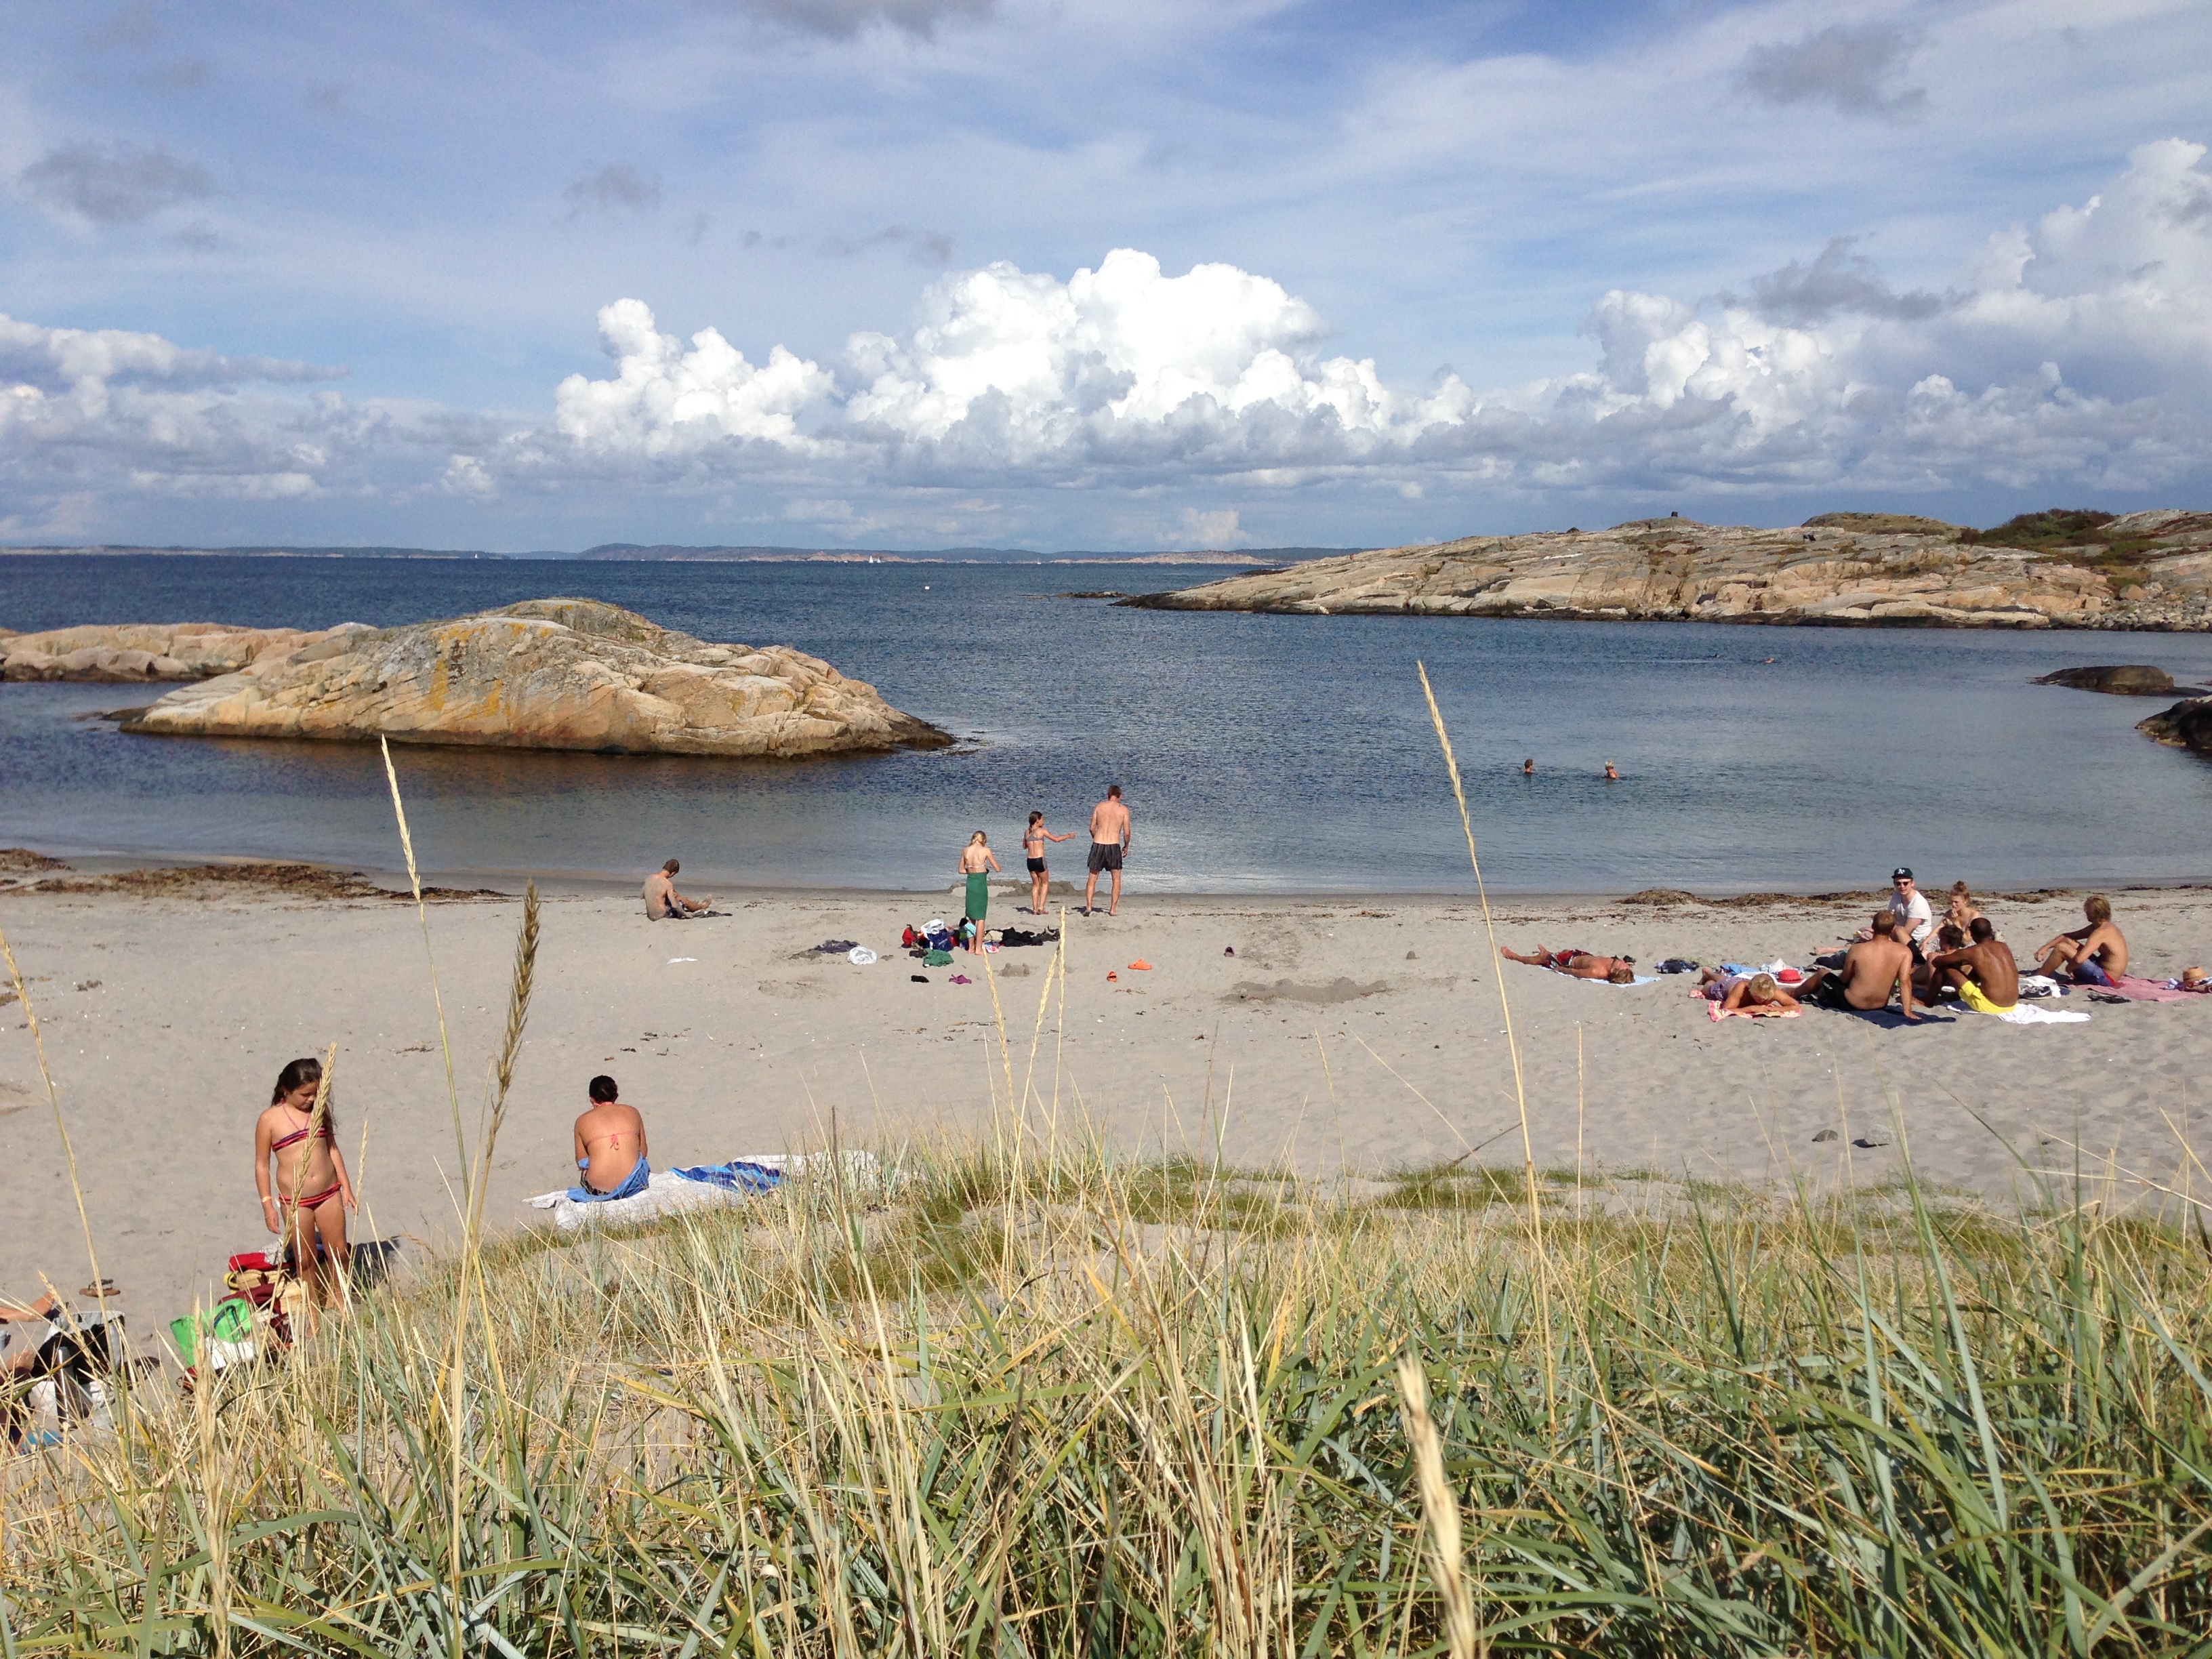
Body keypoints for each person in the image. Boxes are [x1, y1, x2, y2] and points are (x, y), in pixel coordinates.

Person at [253, 1057, 355, 1300]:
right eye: (305, 1094)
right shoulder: (270, 1119)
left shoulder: (320, 1110)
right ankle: (312, 1314)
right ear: (285, 1091)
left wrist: (347, 1187)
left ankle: (342, 1302)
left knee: (340, 1253)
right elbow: (261, 1165)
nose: (311, 1099)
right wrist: (268, 1205)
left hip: (329, 1193)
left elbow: (332, 1149)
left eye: (316, 1093)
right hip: (295, 1200)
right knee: (305, 1259)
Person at [1799, 914, 1919, 1021]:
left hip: (1852, 1004)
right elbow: (1905, 982)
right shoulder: (1904, 952)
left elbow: (1844, 979)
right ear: (1893, 929)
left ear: (1873, 926)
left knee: (1822, 974)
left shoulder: (1857, 949)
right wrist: (1907, 1011)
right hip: (1880, 1005)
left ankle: (1793, 994)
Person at [572, 1076, 649, 1200]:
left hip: (599, 1191)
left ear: (592, 1099)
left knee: (587, 1170)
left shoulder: (581, 1121)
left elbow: (582, 1163)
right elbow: (643, 1152)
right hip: (635, 1185)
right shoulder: (633, 1112)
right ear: (616, 1096)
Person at [1927, 917, 2020, 1014]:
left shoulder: (1974, 951)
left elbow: (1939, 961)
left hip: (1991, 1005)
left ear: (1971, 933)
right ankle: (1957, 995)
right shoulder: (2003, 946)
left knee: (1945, 966)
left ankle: (1928, 1000)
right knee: (1978, 969)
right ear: (1991, 931)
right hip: (2013, 1004)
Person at [2034, 894, 2128, 985]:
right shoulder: (2103, 926)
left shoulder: (2101, 932)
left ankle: (2039, 977)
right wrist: (2046, 948)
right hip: (2101, 967)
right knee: (2067, 941)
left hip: (2106, 978)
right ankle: (2042, 974)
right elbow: (2066, 937)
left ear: (2092, 913)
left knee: (2062, 948)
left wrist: (2069, 968)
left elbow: (2079, 960)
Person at [1858, 867, 1933, 958]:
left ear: (1912, 883)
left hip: (1915, 941)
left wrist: (1881, 934)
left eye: (1905, 883)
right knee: (1864, 932)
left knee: (1871, 938)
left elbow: (1906, 932)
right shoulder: (1897, 895)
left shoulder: (1918, 904)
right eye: (1898, 883)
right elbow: (1889, 917)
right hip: (1896, 932)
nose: (1902, 886)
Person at [1084, 785, 1132, 917]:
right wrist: (1126, 845)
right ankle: (1113, 909)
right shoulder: (1123, 810)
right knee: (1116, 878)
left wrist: (1096, 838)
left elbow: (1092, 827)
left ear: (1108, 795)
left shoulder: (1100, 807)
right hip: (1113, 845)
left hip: (1098, 843)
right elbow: (1127, 832)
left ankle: (1088, 906)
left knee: (1093, 877)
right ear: (1120, 796)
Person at [957, 830, 1001, 953]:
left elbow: (961, 870)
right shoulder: (986, 850)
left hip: (971, 882)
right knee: (981, 917)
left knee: (971, 916)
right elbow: (998, 868)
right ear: (983, 840)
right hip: (980, 883)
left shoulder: (966, 850)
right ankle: (978, 948)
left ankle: (971, 947)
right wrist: (984, 869)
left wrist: (972, 871)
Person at [1502, 945, 1637, 984]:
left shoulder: (1596, 972)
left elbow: (1575, 973)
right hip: (1582, 956)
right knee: (1563, 951)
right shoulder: (1617, 965)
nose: (1622, 962)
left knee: (1540, 959)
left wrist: (1560, 968)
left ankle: (1515, 957)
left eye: (1621, 964)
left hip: (1568, 961)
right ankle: (1547, 952)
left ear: (1614, 970)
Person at [1022, 811, 1072, 916]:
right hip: (1039, 860)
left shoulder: (1027, 832)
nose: (1043, 821)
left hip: (1030, 860)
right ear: (1037, 821)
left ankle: (1035, 909)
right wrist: (1068, 836)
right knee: (1045, 883)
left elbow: (1025, 846)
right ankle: (1041, 907)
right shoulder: (1042, 831)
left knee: (1035, 884)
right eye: (1042, 819)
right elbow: (1056, 839)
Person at [1700, 970, 1799, 1016]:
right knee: (1708, 989)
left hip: (1737, 980)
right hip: (1725, 988)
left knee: (1726, 979)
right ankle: (1708, 977)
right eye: (1758, 997)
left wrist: (1774, 1009)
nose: (1761, 1000)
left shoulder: (1773, 991)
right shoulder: (1742, 988)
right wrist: (1751, 1008)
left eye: (1764, 998)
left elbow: (1796, 1006)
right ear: (1751, 991)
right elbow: (1726, 1009)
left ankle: (1710, 973)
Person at [644, 859, 709, 920]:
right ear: (673, 873)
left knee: (672, 895)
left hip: (651, 915)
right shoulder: (667, 883)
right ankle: (701, 906)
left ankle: (694, 904)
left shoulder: (649, 878)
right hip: (663, 915)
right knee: (679, 899)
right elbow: (674, 905)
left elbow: (642, 896)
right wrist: (686, 914)